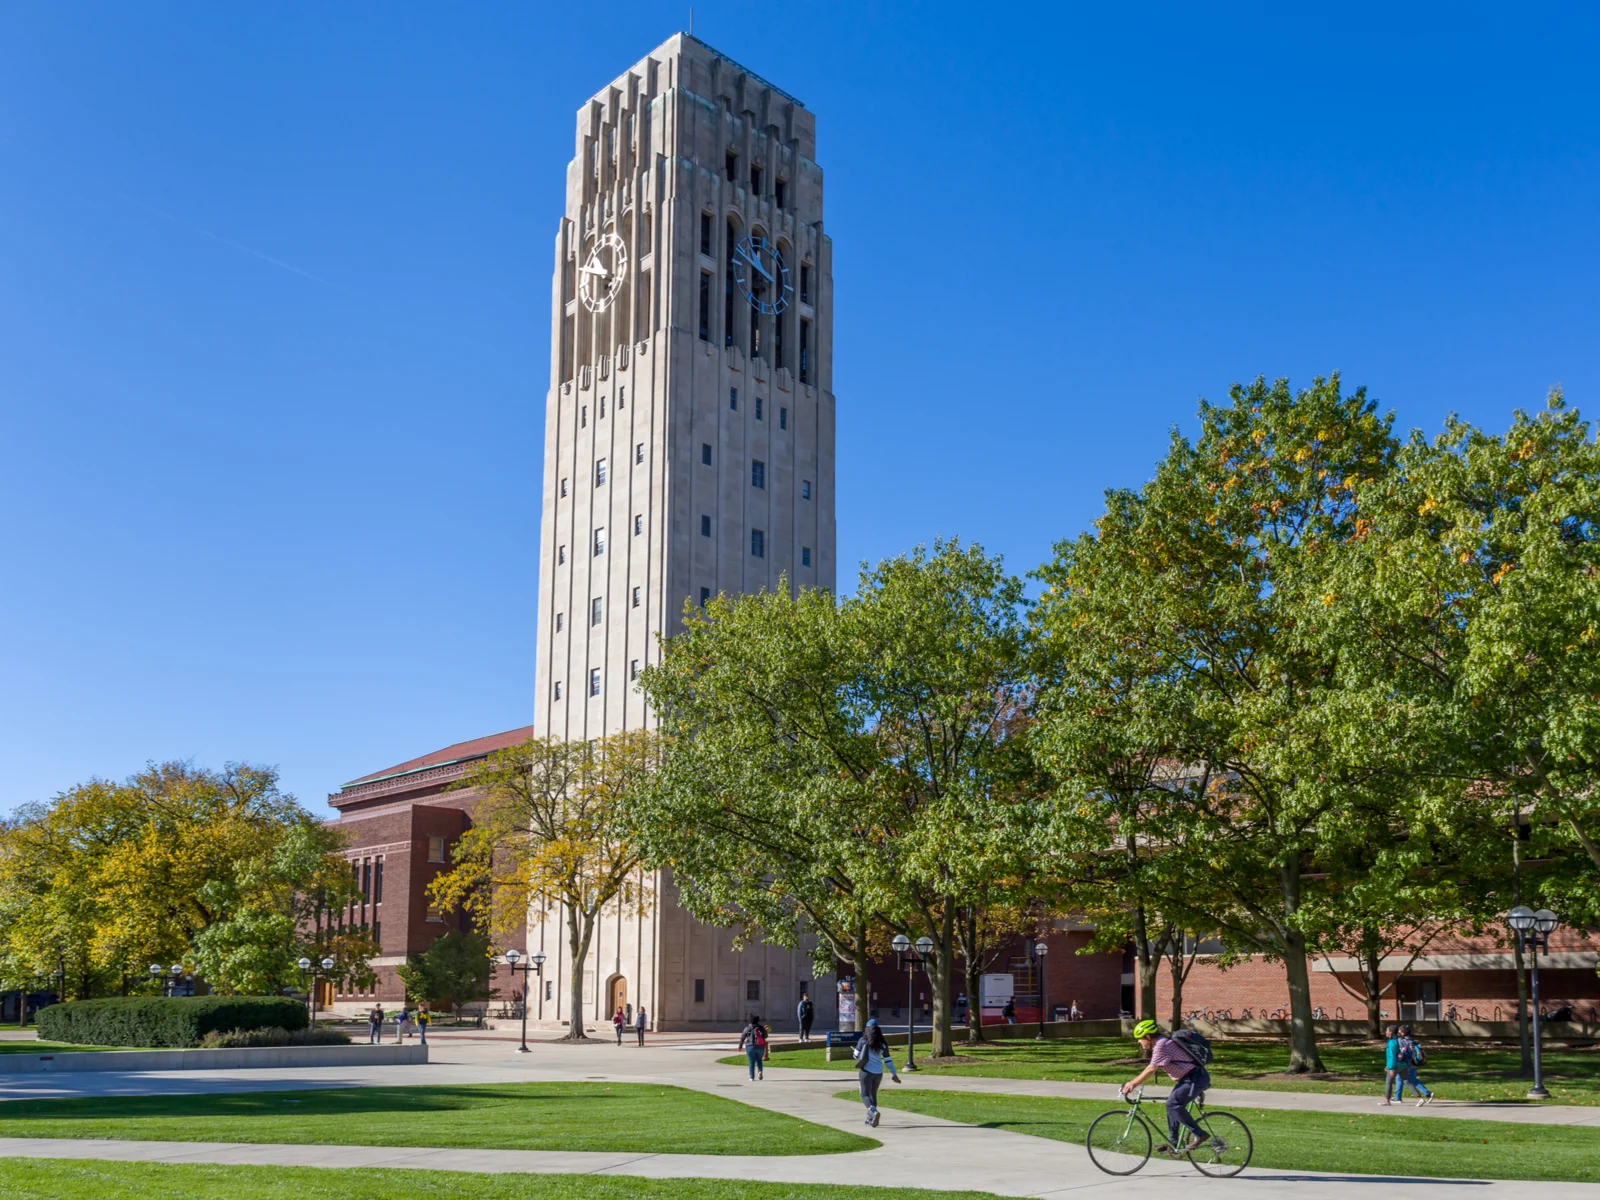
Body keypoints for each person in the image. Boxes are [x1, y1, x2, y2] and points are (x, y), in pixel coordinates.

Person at [1119, 1019, 1211, 1155]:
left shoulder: (1162, 1045)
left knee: (1172, 1104)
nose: (1139, 1042)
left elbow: (1151, 1069)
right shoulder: (1162, 1044)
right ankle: (1173, 1143)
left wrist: (1132, 1083)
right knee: (1171, 1105)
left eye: (1140, 1039)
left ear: (1149, 1037)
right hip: (1189, 1079)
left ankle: (1200, 1134)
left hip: (1195, 1078)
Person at [852, 1019, 902, 1127]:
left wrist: (855, 1053)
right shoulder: (883, 1043)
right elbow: (888, 1060)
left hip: (866, 1071)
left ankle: (873, 1112)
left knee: (864, 1094)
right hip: (878, 1072)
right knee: (873, 1094)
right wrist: (894, 1074)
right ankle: (870, 1119)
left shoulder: (863, 1040)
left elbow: (856, 1055)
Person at [1392, 1024, 1434, 1105]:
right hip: (1413, 1063)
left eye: (1400, 1031)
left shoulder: (1401, 1041)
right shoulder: (1411, 1040)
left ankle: (1398, 1098)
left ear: (1404, 1032)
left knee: (1400, 1078)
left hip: (1405, 1064)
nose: (1399, 1032)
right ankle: (1427, 1093)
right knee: (1411, 1080)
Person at [738, 1013, 769, 1080]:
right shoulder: (761, 1028)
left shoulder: (747, 1028)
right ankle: (760, 1071)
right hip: (760, 1046)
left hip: (750, 1046)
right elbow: (766, 1036)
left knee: (751, 1061)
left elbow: (742, 1037)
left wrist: (740, 1046)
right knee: (759, 1060)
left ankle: (752, 1077)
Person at [1380, 1023, 1399, 1105]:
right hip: (1399, 1065)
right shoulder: (1395, 1041)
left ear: (1390, 1032)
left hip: (1393, 1066)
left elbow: (1392, 1056)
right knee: (1407, 1081)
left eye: (1387, 1030)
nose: (1386, 1032)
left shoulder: (1391, 1043)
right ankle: (1422, 1096)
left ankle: (1387, 1100)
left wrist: (1390, 1068)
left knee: (1388, 1082)